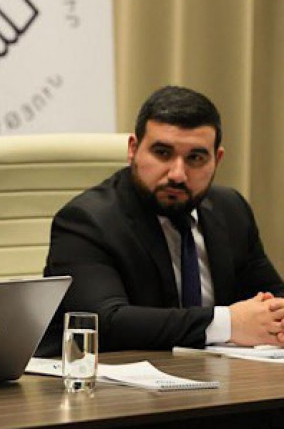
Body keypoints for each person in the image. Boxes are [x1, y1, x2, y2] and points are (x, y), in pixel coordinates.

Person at [37, 85, 284, 355]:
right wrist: (227, 324)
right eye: (163, 153)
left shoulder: (231, 209)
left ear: (217, 159)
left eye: (195, 158)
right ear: (133, 149)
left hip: (221, 372)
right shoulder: (86, 221)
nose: (177, 174)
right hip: (120, 376)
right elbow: (104, 323)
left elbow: (273, 296)